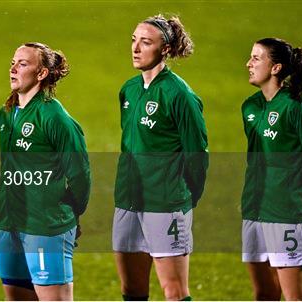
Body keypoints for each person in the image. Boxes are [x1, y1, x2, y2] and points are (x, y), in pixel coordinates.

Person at [113, 14, 209, 301]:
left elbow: (197, 156)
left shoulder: (180, 95)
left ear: (165, 49)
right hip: (128, 200)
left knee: (174, 291)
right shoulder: (128, 89)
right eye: (134, 40)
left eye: (146, 42)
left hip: (165, 203)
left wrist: (184, 199)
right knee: (131, 290)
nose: (136, 48)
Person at [0, 42, 91, 301]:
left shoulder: (54, 118)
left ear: (41, 74)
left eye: (23, 64)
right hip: (10, 222)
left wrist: (70, 212)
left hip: (45, 226)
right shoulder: (5, 115)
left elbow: (80, 175)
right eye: (13, 63)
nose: (13, 69)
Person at [241, 38, 302, 300]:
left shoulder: (298, 110)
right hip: (254, 211)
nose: (249, 63)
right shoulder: (251, 107)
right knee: (264, 294)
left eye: (256, 58)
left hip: (288, 215)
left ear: (276, 67)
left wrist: (295, 196)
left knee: (295, 297)